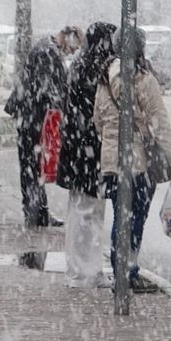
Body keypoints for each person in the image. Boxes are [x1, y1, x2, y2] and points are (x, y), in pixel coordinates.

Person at [93, 28, 171, 291]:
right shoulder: (143, 80)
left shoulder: (103, 78)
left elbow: (98, 121)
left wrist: (110, 144)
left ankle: (119, 271)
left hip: (112, 162)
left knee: (120, 217)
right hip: (137, 163)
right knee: (135, 219)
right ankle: (129, 273)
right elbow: (160, 124)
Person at [56, 23, 117, 287]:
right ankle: (86, 271)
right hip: (89, 151)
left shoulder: (81, 65)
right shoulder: (96, 70)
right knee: (89, 213)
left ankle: (82, 268)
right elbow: (97, 113)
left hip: (78, 150)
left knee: (82, 212)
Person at [3, 27, 81, 227]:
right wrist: (59, 110)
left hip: (32, 116)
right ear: (68, 37)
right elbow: (46, 89)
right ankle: (34, 213)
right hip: (33, 118)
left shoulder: (47, 48)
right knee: (31, 166)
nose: (72, 53)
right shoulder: (47, 51)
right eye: (73, 48)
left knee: (34, 166)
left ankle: (39, 212)